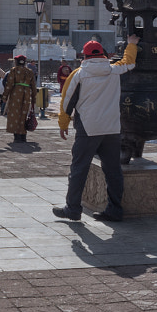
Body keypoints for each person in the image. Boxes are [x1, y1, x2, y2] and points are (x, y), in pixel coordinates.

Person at [54, 36, 140, 222]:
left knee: (79, 168)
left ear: (83, 56)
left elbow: (67, 101)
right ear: (104, 54)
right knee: (113, 170)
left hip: (88, 128)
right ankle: (115, 209)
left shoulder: (78, 74)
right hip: (111, 128)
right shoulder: (114, 70)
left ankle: (73, 209)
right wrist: (131, 44)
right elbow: (129, 62)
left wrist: (63, 124)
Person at [2, 55, 38, 144]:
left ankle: (16, 135)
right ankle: (23, 135)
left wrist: (4, 96)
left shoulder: (13, 70)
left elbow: (9, 84)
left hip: (15, 94)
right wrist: (34, 98)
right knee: (23, 115)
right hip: (26, 95)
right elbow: (33, 86)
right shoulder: (29, 72)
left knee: (15, 115)